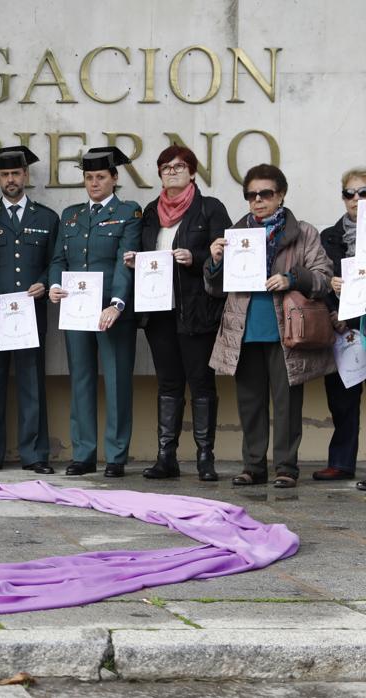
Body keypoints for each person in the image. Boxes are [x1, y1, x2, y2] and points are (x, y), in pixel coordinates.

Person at [206, 164, 334, 488]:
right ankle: (253, 466)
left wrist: (292, 278)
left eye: (265, 193)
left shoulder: (303, 232)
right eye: (251, 195)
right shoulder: (235, 234)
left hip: (288, 330)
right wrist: (215, 261)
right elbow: (213, 287)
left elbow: (324, 278)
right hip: (245, 328)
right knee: (250, 402)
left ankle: (286, 468)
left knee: (287, 402)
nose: (258, 200)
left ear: (281, 195)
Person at [125, 145, 231, 481]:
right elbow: (147, 254)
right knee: (168, 383)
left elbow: (224, 256)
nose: (172, 171)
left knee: (200, 382)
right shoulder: (151, 211)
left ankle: (204, 459)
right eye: (165, 167)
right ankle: (166, 457)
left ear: (192, 173)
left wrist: (196, 257)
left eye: (179, 166)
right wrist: (135, 261)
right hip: (159, 311)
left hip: (196, 310)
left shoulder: (209, 208)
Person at [48, 146, 142, 478]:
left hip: (111, 311)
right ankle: (84, 453)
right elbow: (60, 258)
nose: (94, 183)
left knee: (117, 382)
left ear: (114, 178)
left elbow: (124, 262)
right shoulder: (71, 215)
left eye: (100, 177)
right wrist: (53, 286)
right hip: (76, 310)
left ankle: (116, 456)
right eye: (88, 178)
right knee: (82, 381)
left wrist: (117, 303)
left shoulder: (129, 213)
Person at [0, 146, 59, 475]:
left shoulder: (47, 218)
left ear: (26, 176)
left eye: (16, 173)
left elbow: (56, 262)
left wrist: (44, 282)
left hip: (31, 314)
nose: (11, 180)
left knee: (31, 385)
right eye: (5, 174)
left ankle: (35, 454)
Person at [316, 167, 366, 484]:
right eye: (350, 193)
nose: (356, 199)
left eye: (363, 193)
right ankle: (341, 462)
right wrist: (330, 290)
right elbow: (316, 277)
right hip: (343, 327)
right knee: (341, 398)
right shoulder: (328, 236)